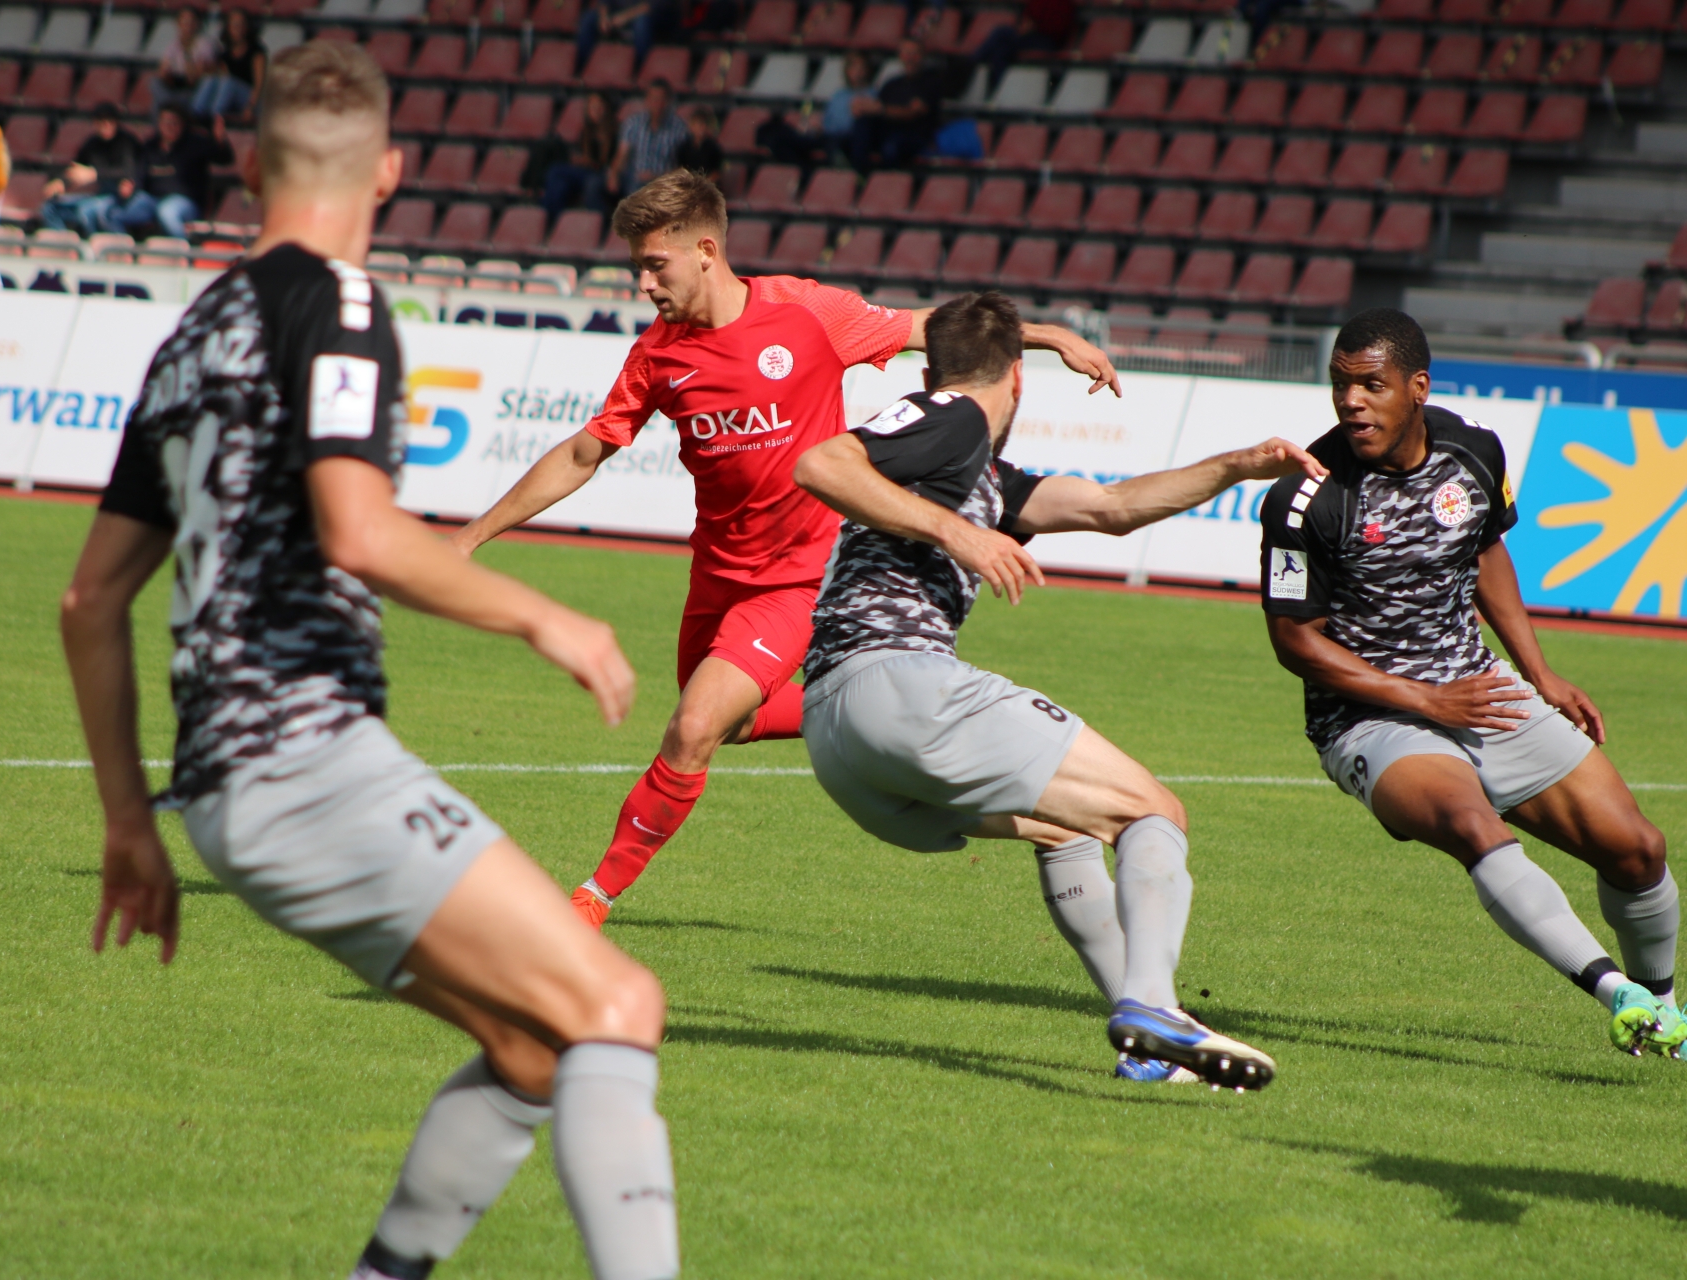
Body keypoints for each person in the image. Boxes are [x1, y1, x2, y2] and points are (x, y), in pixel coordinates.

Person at [59, 41, 681, 1280]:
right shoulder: (341, 305)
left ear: (248, 168)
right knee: (620, 1005)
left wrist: (131, 824)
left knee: (535, 1048)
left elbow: (90, 600)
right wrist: (545, 617)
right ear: (390, 170)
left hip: (225, 789)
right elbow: (358, 529)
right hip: (303, 754)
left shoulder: (193, 332)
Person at [449, 170, 1119, 930]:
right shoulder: (658, 354)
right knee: (724, 724)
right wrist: (470, 537)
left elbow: (929, 326)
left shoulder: (806, 313)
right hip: (717, 576)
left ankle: (588, 902)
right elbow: (583, 452)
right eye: (637, 267)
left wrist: (1049, 335)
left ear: (706, 251)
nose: (643, 284)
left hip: (801, 579)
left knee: (693, 729)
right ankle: (852, 701)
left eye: (654, 265)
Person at [792, 291, 1305, 1087]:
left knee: (1064, 829)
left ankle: (1147, 1051)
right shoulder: (955, 417)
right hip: (898, 685)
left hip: (837, 739)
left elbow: (1112, 508)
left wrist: (1235, 466)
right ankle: (1153, 1007)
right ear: (1017, 379)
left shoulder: (979, 471)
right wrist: (960, 534)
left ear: (929, 368)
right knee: (1153, 811)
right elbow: (820, 464)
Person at [1259, 307, 1685, 1058]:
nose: (1351, 401)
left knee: (1637, 849)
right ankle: (1614, 992)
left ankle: (1664, 1014)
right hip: (1368, 717)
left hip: (1477, 687)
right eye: (1340, 385)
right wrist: (1425, 699)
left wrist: (1538, 672)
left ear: (1417, 388)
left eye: (1371, 385)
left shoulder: (1474, 451)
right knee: (1473, 825)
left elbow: (1486, 551)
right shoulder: (1305, 496)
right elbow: (1296, 641)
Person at [112, 103, 235, 240]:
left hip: (185, 203)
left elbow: (225, 159)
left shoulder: (195, 144)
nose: (169, 126)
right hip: (152, 200)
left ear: (183, 125)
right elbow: (140, 177)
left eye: (174, 123)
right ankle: (125, 249)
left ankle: (185, 249)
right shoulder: (150, 146)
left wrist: (221, 141)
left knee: (166, 212)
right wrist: (131, 185)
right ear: (159, 124)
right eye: (165, 122)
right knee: (115, 215)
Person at [39, 103, 140, 236]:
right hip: (99, 196)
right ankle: (65, 244)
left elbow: (129, 171)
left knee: (86, 211)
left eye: (110, 120)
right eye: (101, 121)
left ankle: (98, 246)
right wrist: (61, 182)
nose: (106, 124)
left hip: (121, 199)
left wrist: (95, 174)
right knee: (50, 208)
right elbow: (76, 170)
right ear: (95, 123)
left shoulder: (126, 142)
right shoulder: (92, 144)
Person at [850, 37, 944, 169]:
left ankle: (886, 180)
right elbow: (876, 108)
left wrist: (882, 110)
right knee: (860, 127)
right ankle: (860, 174)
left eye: (914, 54)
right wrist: (863, 107)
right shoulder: (892, 84)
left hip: (915, 136)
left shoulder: (930, 83)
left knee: (891, 146)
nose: (910, 58)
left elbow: (912, 114)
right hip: (888, 131)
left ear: (922, 56)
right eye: (906, 53)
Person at [543, 90, 620, 221]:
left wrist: (589, 162)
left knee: (557, 171)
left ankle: (549, 217)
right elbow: (585, 156)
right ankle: (553, 219)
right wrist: (580, 160)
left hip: (601, 173)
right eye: (592, 107)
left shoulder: (616, 132)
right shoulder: (587, 131)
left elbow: (609, 161)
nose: (595, 111)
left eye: (599, 107)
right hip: (586, 170)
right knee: (560, 184)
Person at [972, 0, 1076, 95]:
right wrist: (1026, 28)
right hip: (1029, 37)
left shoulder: (1064, 4)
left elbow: (1059, 29)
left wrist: (1035, 26)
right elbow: (1027, 18)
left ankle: (973, 64)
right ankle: (999, 87)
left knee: (1002, 33)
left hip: (1047, 42)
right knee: (1001, 48)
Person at [610, 80, 689, 197]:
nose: (657, 104)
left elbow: (683, 165)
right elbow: (622, 155)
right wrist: (614, 175)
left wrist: (656, 176)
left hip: (664, 180)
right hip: (635, 178)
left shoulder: (679, 128)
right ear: (647, 100)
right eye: (654, 99)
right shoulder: (633, 124)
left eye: (661, 99)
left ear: (668, 102)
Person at [190, 8, 266, 124]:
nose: (237, 28)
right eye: (234, 25)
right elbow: (219, 76)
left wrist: (250, 107)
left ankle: (215, 118)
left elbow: (258, 85)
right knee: (210, 80)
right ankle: (196, 114)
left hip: (249, 98)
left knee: (228, 83)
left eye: (241, 24)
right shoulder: (226, 53)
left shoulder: (256, 52)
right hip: (230, 97)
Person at [576, 0, 684, 77]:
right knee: (588, 19)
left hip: (654, 17)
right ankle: (581, 66)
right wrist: (603, 18)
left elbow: (653, 6)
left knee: (642, 22)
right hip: (620, 16)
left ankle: (639, 68)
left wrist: (625, 17)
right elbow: (604, 2)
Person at [150, 5, 220, 118]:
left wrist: (187, 54)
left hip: (192, 91)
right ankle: (168, 107)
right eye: (184, 22)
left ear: (197, 24)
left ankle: (169, 106)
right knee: (154, 83)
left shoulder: (204, 44)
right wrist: (166, 75)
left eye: (191, 22)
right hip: (175, 86)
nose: (188, 26)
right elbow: (163, 71)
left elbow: (195, 77)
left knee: (161, 104)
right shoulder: (173, 46)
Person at [673, 105, 722, 183]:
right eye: (698, 124)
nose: (701, 127)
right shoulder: (684, 148)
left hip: (707, 185)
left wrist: (703, 184)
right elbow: (680, 170)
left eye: (704, 124)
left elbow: (716, 173)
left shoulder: (713, 148)